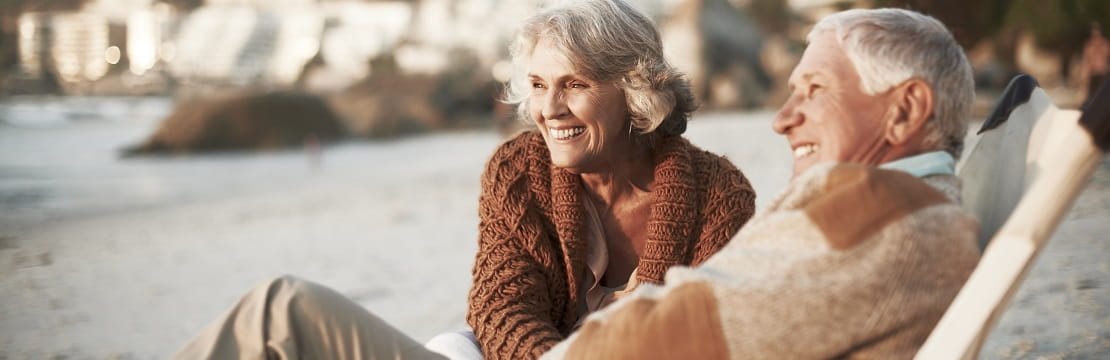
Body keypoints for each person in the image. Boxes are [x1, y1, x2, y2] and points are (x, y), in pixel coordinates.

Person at [171, 1, 757, 359]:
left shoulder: (717, 194)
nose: (548, 108)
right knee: (281, 309)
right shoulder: (519, 170)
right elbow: (502, 311)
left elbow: (711, 336)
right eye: (537, 84)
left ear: (635, 91)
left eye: (574, 85)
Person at [540, 8, 981, 359]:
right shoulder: (924, 212)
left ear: (905, 110)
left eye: (814, 90)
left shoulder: (878, 209)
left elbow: (670, 334)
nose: (782, 119)